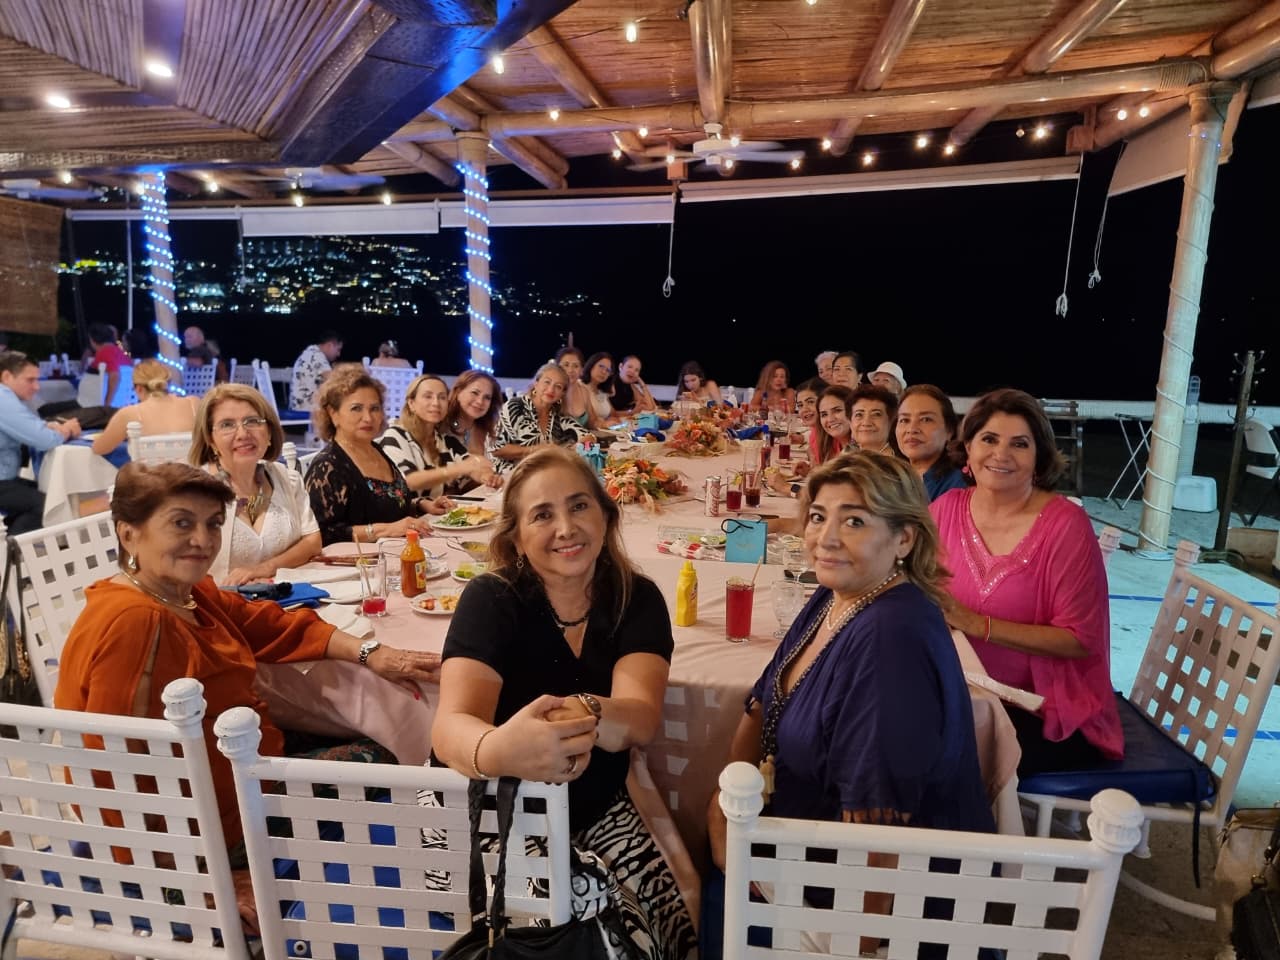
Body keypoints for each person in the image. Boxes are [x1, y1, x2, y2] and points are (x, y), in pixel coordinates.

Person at [54, 461, 442, 933]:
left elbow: (267, 623)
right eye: (182, 523)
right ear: (129, 533)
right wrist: (200, 878)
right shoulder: (137, 621)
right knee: (379, 761)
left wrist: (369, 652)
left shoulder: (183, 592)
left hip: (236, 779)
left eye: (213, 523)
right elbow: (108, 768)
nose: (203, 539)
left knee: (370, 738)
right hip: (209, 830)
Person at [703, 452, 994, 957]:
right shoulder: (840, 593)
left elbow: (880, 828)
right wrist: (722, 801)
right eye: (818, 517)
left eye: (855, 521)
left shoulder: (890, 639)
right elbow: (763, 703)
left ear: (904, 539)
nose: (826, 538)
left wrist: (857, 946)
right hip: (797, 848)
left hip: (872, 910)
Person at [431, 446, 697, 959]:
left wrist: (584, 710)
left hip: (596, 808)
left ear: (606, 515)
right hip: (492, 809)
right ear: (515, 536)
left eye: (578, 506)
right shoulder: (491, 599)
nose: (566, 528)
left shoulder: (636, 598)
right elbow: (450, 728)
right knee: (542, 938)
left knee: (658, 929)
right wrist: (501, 749)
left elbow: (640, 717)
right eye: (542, 515)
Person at [931, 388, 1123, 774]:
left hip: (1044, 709)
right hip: (961, 693)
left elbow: (1079, 639)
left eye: (1019, 444)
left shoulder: (1065, 526)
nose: (1001, 454)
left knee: (925, 758)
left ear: (1039, 458)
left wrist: (976, 624)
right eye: (989, 439)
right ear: (967, 448)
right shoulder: (945, 509)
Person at [190, 384, 322, 585]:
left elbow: (312, 541)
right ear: (210, 439)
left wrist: (265, 568)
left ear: (269, 432)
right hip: (220, 601)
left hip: (289, 595)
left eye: (252, 421)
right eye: (227, 425)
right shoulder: (194, 493)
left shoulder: (285, 478)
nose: (243, 434)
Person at [305, 366, 452, 546]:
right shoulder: (327, 467)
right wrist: (386, 530)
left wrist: (421, 505)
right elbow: (323, 534)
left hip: (398, 549)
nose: (368, 418)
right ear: (333, 414)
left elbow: (385, 503)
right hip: (360, 560)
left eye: (374, 408)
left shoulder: (375, 449)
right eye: (356, 408)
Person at [378, 373, 501, 498]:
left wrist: (486, 476)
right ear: (411, 403)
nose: (436, 403)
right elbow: (406, 481)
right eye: (428, 396)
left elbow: (469, 467)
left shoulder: (446, 441)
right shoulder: (395, 435)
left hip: (438, 509)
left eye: (442, 397)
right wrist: (457, 469)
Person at [0, 351, 81, 533]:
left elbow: (30, 426)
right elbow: (45, 440)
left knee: (49, 496)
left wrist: (48, 426)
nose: (37, 387)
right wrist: (66, 430)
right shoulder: (2, 398)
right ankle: (13, 550)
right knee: (49, 506)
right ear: (6, 377)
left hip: (6, 478)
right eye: (30, 380)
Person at [492, 363, 589, 472]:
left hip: (546, 473)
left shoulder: (560, 416)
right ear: (536, 383)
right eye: (547, 382)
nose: (551, 390)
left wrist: (578, 448)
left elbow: (591, 443)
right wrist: (536, 450)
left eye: (558, 386)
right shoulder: (515, 406)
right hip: (511, 474)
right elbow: (496, 449)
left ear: (562, 394)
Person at [92, 358, 200, 456]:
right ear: (167, 383)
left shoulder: (129, 414)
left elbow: (98, 448)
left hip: (151, 472)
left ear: (139, 389)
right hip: (191, 471)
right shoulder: (193, 404)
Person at [896, 384, 968, 501]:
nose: (912, 429)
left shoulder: (959, 485)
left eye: (926, 419)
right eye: (905, 420)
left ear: (949, 431)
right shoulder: (891, 479)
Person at [445, 369, 503, 458]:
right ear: (458, 392)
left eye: (487, 397)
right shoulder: (440, 426)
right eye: (475, 393)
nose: (480, 401)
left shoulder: (490, 432)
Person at [290, 330, 343, 413]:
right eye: (338, 350)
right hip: (306, 410)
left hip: (298, 408)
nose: (338, 354)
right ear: (330, 345)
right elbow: (334, 381)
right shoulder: (317, 356)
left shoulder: (310, 352)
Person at [87, 322, 131, 404]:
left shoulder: (106, 351)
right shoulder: (119, 352)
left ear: (93, 339)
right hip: (121, 401)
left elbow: (115, 376)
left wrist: (107, 404)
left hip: (100, 404)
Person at [849, 383, 899, 455]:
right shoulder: (845, 458)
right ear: (850, 423)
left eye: (876, 414)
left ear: (890, 421)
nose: (866, 423)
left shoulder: (902, 460)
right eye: (859, 414)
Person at [815, 384, 854, 464]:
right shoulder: (831, 445)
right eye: (824, 414)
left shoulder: (861, 450)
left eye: (837, 410)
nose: (830, 419)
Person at [556, 346, 591, 427]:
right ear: (557, 367)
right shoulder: (550, 390)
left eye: (575, 366)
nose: (570, 370)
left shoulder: (584, 391)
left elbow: (593, 421)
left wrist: (607, 425)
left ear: (581, 370)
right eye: (566, 365)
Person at [581, 352, 615, 425]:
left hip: (604, 429)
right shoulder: (580, 386)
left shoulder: (602, 391)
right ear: (591, 365)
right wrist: (605, 423)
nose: (604, 372)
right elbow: (588, 420)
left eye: (608, 370)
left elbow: (612, 414)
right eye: (601, 366)